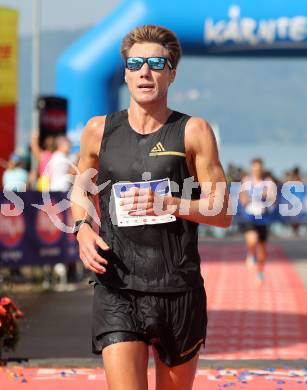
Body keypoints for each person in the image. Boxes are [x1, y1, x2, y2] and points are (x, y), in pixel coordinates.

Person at [70, 25, 231, 390]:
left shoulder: (193, 131)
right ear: (125, 72)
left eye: (156, 63)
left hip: (177, 287)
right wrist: (81, 228)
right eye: (136, 63)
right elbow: (80, 189)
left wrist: (171, 203)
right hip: (118, 285)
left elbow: (223, 212)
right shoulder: (98, 130)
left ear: (171, 73)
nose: (145, 71)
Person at [239, 158, 276, 285]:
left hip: (263, 218)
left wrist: (265, 196)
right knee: (252, 239)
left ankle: (260, 272)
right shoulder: (247, 181)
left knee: (263, 251)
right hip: (249, 216)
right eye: (254, 167)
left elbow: (272, 198)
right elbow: (242, 197)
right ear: (252, 168)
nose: (257, 170)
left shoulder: (268, 182)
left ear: (262, 168)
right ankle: (250, 255)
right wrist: (247, 199)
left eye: (259, 168)